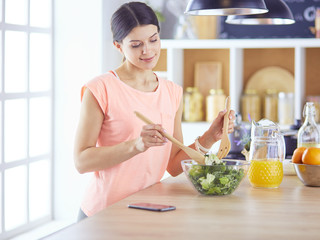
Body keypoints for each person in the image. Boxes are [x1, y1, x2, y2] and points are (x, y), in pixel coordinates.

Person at [74, 1, 235, 221]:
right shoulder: (100, 89)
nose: (148, 50)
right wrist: (137, 145)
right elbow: (82, 161)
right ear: (118, 46)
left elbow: (173, 165)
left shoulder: (171, 92)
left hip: (149, 209)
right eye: (136, 44)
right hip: (103, 214)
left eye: (153, 40)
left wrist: (210, 137)